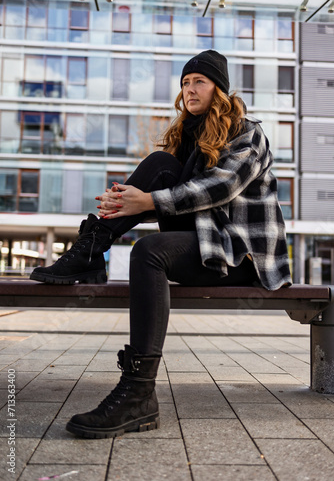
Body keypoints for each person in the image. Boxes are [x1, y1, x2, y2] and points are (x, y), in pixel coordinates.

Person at [30, 50, 292, 439]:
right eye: (185, 83)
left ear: (218, 89)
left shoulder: (247, 133)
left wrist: (147, 201)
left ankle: (138, 392)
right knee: (159, 165)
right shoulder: (188, 137)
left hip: (240, 253)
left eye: (198, 81)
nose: (189, 89)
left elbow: (219, 189)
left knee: (148, 251)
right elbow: (183, 198)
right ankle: (92, 247)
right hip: (206, 242)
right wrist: (136, 202)